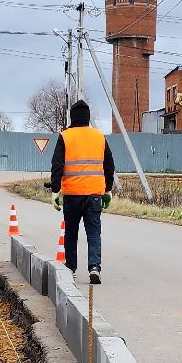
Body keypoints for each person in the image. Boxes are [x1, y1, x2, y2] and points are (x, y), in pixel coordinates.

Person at [47, 99, 114, 285]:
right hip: (94, 195)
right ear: (87, 117)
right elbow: (109, 165)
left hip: (72, 195)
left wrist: (55, 190)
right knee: (94, 233)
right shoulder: (99, 137)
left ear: (72, 117)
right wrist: (107, 190)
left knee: (71, 233)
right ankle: (94, 268)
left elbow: (57, 165)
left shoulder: (66, 136)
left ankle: (71, 268)